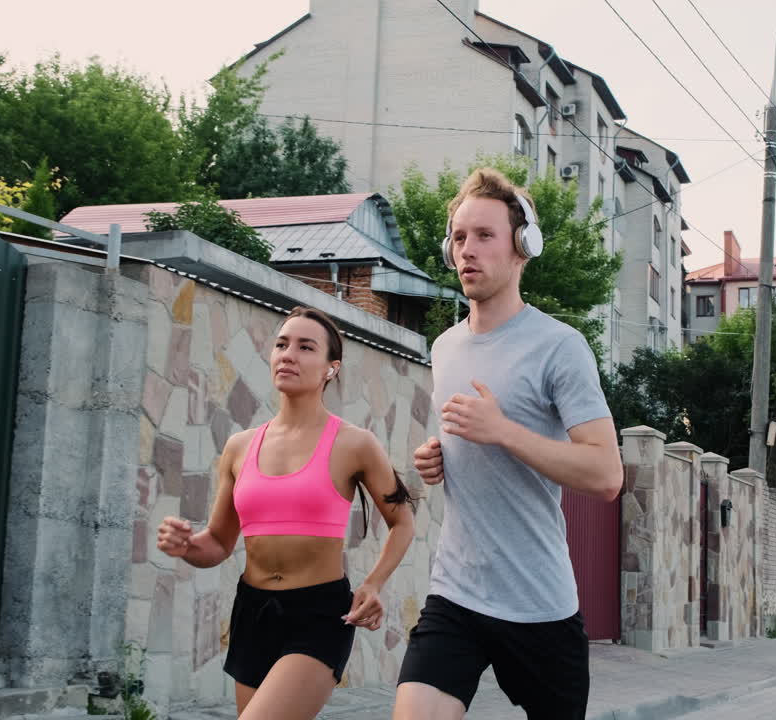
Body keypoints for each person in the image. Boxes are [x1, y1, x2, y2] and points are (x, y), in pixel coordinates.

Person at [393, 168, 623, 719]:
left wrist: (503, 432)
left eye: (484, 235)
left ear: (523, 247)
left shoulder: (559, 348)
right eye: (459, 237)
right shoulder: (444, 347)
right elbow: (473, 442)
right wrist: (440, 455)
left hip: (538, 603)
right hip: (457, 592)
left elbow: (607, 475)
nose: (467, 250)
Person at [156, 306, 415, 720]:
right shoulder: (240, 447)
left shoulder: (355, 444)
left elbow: (402, 522)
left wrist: (374, 583)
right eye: (281, 344)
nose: (288, 354)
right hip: (253, 611)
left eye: (305, 347)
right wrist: (186, 545)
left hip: (319, 615)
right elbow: (219, 543)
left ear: (331, 368)